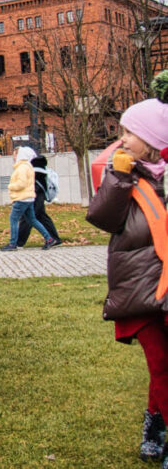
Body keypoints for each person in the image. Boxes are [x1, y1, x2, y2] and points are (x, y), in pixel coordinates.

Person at [86, 89, 168, 465]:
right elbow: (103, 217)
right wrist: (118, 178)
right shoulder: (122, 176)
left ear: (151, 139)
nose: (121, 139)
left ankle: (155, 421)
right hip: (140, 287)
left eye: (129, 133)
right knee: (160, 364)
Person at [1, 146, 58, 250]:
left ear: (19, 155)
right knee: (32, 220)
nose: (13, 157)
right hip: (29, 198)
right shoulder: (28, 166)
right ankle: (49, 239)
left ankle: (13, 244)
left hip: (22, 198)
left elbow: (21, 184)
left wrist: (10, 186)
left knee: (13, 219)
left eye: (14, 154)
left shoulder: (22, 168)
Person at [16, 152, 62, 247]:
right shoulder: (42, 170)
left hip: (34, 196)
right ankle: (55, 238)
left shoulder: (33, 171)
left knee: (28, 217)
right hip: (39, 196)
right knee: (41, 217)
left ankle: (19, 242)